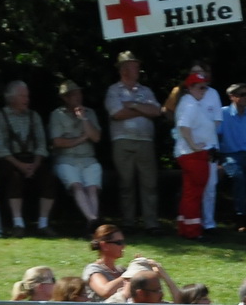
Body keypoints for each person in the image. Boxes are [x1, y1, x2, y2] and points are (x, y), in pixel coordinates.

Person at [104, 50, 164, 232]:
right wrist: (143, 110)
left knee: (150, 183)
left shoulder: (145, 91)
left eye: (137, 65)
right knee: (126, 183)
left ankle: (151, 223)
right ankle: (129, 223)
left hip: (145, 141)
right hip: (122, 142)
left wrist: (134, 105)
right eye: (134, 65)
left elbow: (156, 111)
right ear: (124, 69)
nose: (138, 68)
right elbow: (117, 113)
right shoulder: (114, 90)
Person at [0, 81, 57, 238]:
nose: (26, 99)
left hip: (33, 159)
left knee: (49, 178)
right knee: (14, 179)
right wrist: (19, 165)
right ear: (11, 98)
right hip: (10, 160)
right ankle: (18, 224)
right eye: (22, 95)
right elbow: (1, 147)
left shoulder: (34, 116)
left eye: (27, 96)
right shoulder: (0, 116)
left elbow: (42, 144)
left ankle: (43, 224)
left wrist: (35, 164)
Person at [45, 80, 103, 233]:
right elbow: (58, 142)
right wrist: (83, 138)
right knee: (77, 185)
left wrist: (84, 119)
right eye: (74, 94)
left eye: (79, 93)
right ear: (65, 98)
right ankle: (93, 220)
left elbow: (96, 137)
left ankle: (93, 223)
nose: (79, 97)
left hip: (89, 159)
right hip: (66, 160)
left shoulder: (89, 113)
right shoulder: (56, 115)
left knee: (91, 188)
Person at [173, 73, 217, 238]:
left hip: (191, 154)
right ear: (189, 87)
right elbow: (184, 127)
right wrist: (194, 146)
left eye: (205, 87)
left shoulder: (189, 102)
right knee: (195, 194)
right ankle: (193, 231)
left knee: (189, 192)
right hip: (193, 156)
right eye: (200, 87)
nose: (204, 91)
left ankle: (185, 227)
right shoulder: (190, 104)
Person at [217, 83, 246, 230]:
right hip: (229, 155)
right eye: (242, 94)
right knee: (239, 177)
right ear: (232, 97)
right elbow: (215, 136)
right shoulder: (223, 113)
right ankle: (240, 217)